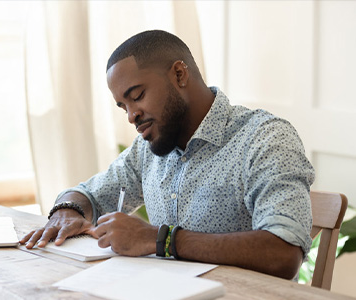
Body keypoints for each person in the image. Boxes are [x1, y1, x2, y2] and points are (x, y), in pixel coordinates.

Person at [20, 30, 314, 280]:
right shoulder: (148, 148)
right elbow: (89, 195)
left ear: (179, 74)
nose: (132, 115)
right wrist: (66, 212)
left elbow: (283, 253)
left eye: (137, 96)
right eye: (123, 106)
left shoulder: (265, 138)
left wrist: (158, 238)